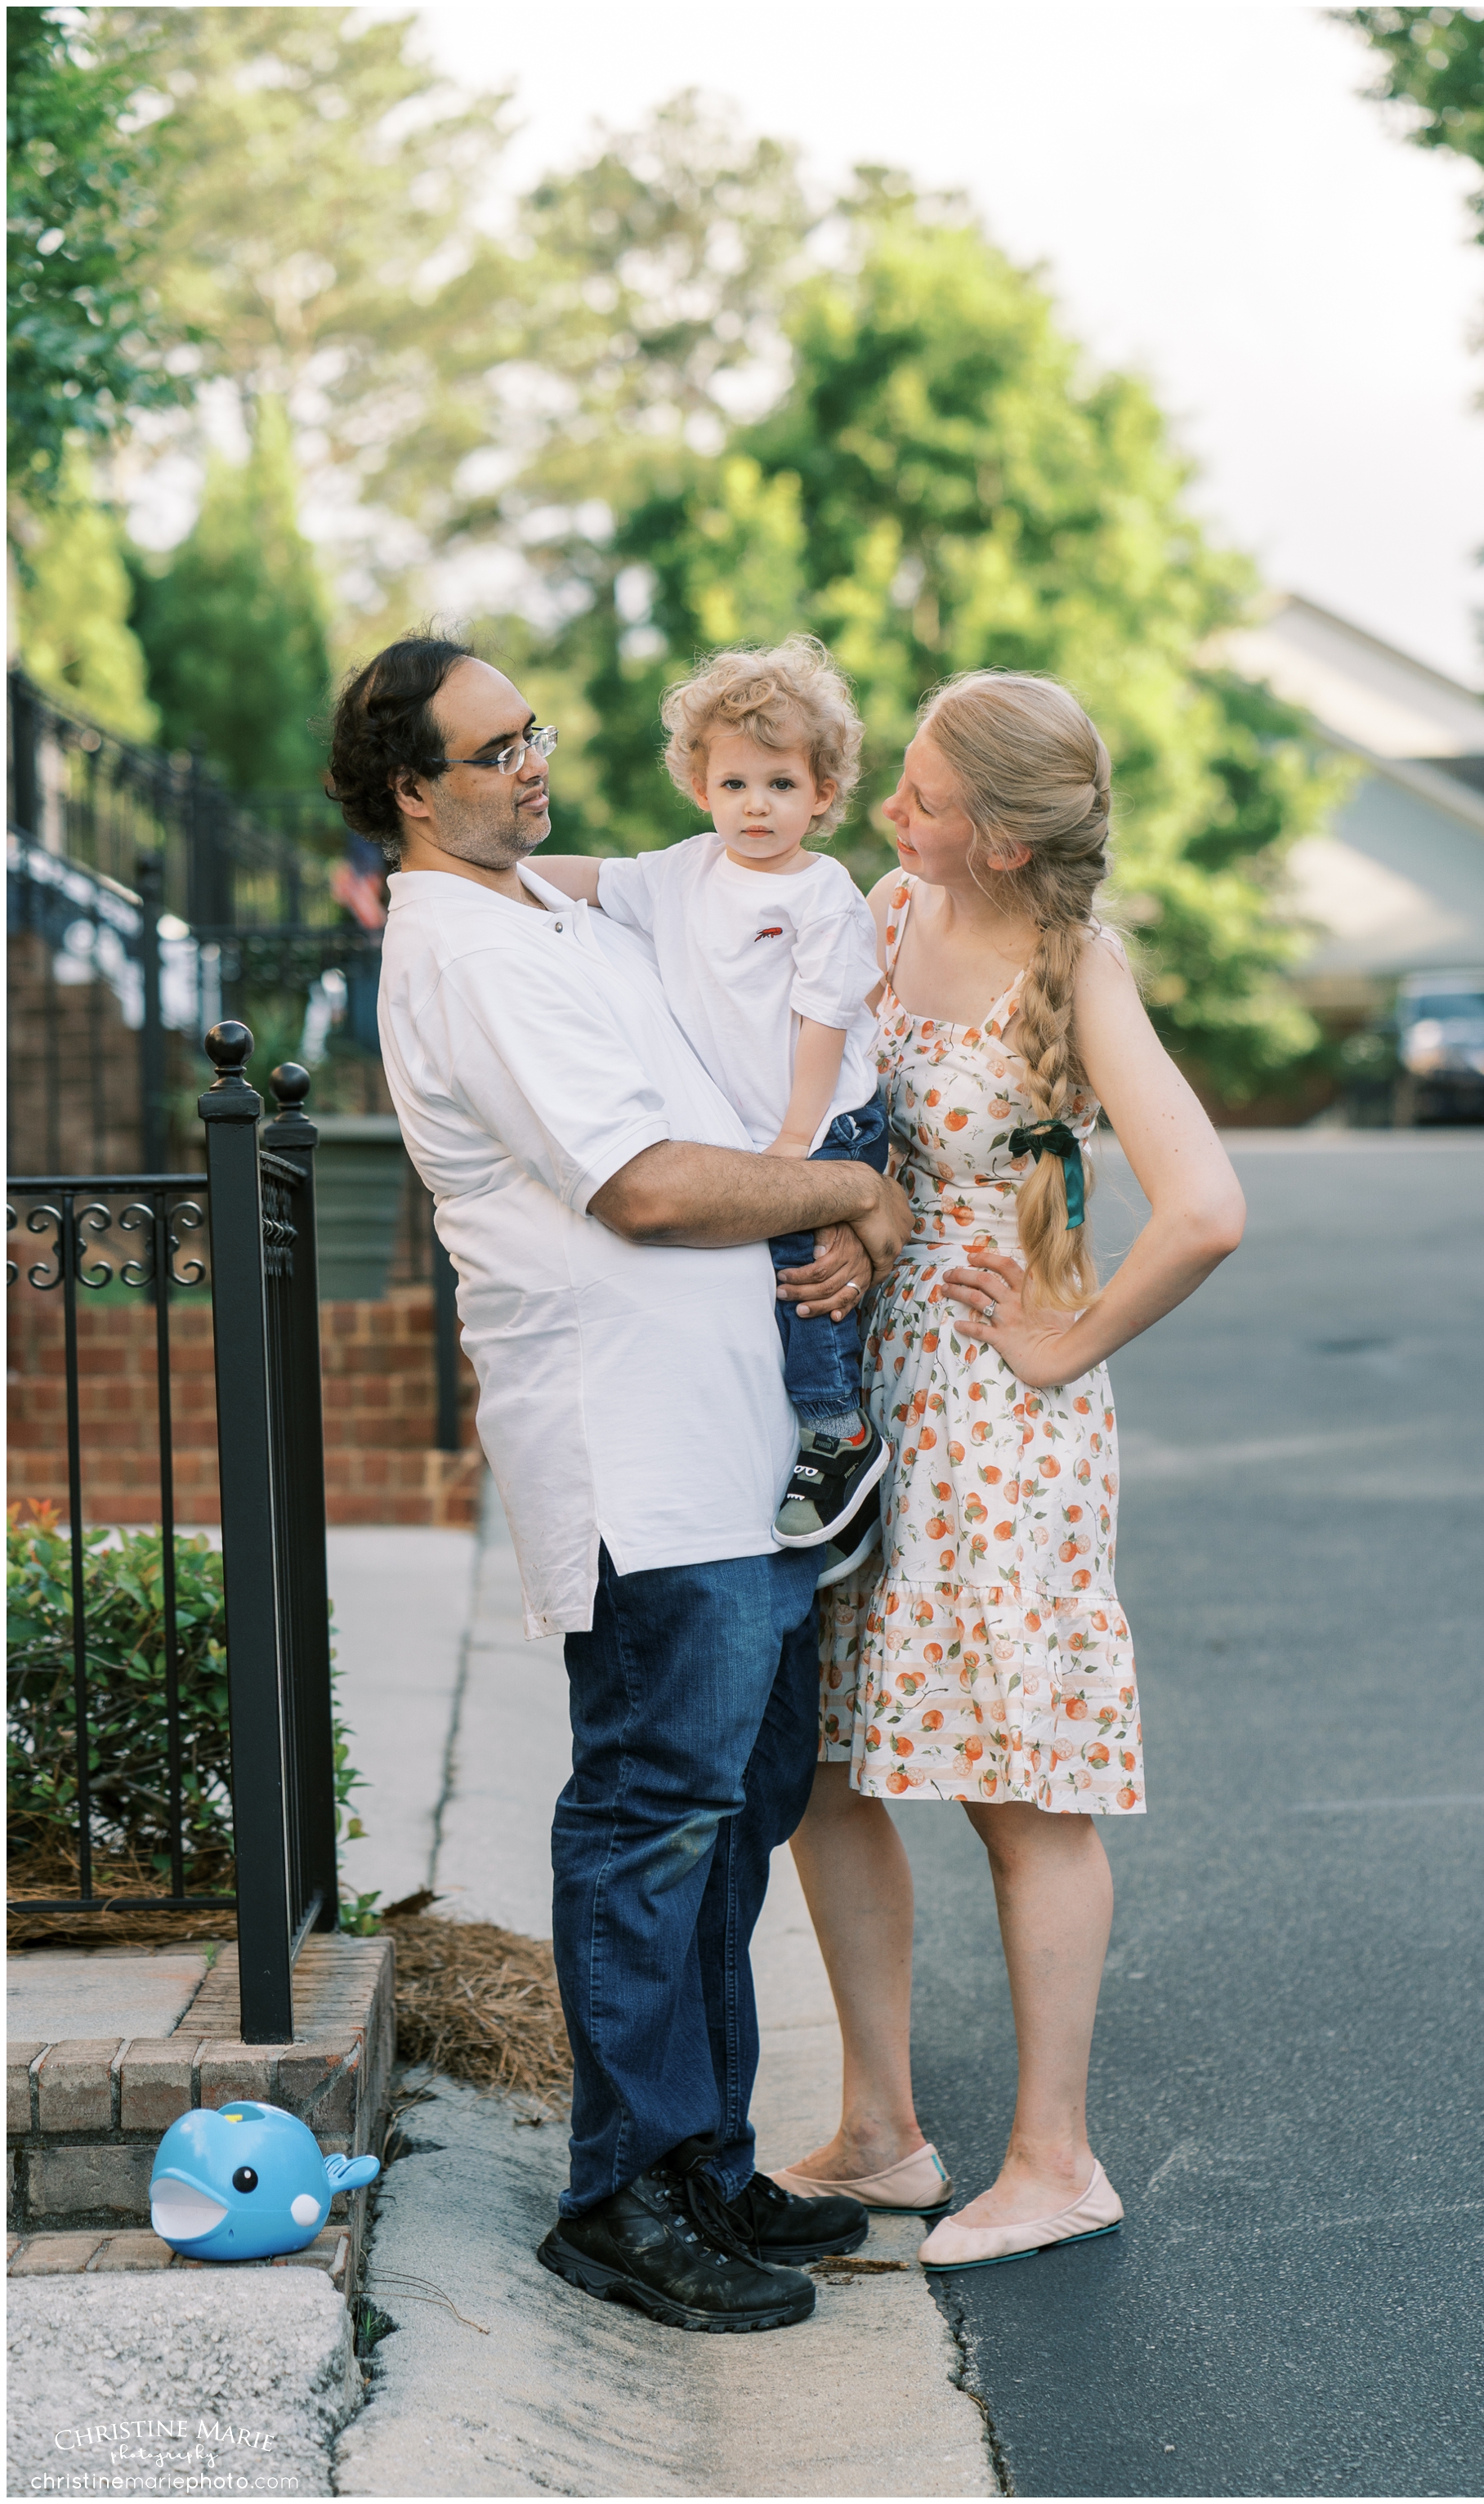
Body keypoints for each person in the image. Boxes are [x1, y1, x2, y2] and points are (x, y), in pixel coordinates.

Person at [324, 633, 913, 2332]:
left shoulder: (550, 911)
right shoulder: (460, 954)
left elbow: (720, 917)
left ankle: (707, 2159)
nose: (532, 759)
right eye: (492, 746)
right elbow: (644, 1188)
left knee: (734, 1802)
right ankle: (622, 2192)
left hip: (738, 1442)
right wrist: (845, 1195)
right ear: (406, 793)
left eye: (537, 727)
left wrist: (827, 1219)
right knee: (655, 1813)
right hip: (635, 1452)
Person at [771, 671, 1247, 2271]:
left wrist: (1064, 1342)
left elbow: (1204, 1204)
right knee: (824, 1766)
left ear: (990, 830)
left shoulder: (1073, 962)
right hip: (856, 1404)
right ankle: (884, 2130)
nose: (885, 807)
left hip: (997, 1433)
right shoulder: (887, 908)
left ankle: (1055, 2159)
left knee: (1016, 1791)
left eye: (914, 789)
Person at [537, 637, 891, 1580]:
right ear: (700, 787)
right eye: (734, 784)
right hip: (747, 1132)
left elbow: (822, 1021)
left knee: (804, 1274)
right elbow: (592, 878)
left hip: (825, 1117)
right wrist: (501, 881)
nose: (756, 806)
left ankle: (838, 1434)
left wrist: (793, 1145)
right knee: (758, 1294)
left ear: (821, 793)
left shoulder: (824, 894)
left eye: (780, 785)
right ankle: (807, 1452)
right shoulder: (682, 872)